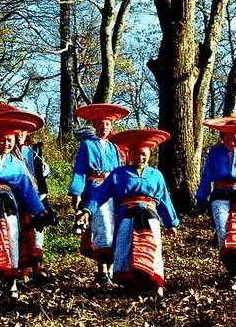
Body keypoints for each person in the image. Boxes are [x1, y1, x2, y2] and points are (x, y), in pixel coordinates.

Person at [75, 129, 179, 301]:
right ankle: (131, 286)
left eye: (144, 154)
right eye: (136, 154)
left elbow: (165, 199)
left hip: (150, 216)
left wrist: (171, 223)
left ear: (149, 155)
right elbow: (101, 193)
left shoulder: (156, 175)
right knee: (126, 248)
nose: (140, 157)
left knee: (153, 248)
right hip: (126, 216)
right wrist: (87, 210)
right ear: (129, 154)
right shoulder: (118, 174)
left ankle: (157, 288)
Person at [0, 114, 57, 307]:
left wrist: (40, 211)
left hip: (9, 204)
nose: (6, 143)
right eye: (2, 139)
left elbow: (27, 189)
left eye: (9, 140)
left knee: (12, 240)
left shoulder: (17, 165)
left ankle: (12, 285)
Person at [196, 116, 236, 289]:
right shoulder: (214, 153)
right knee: (224, 231)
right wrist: (202, 198)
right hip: (220, 195)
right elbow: (207, 176)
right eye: (228, 138)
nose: (232, 142)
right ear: (221, 137)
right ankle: (233, 274)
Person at [68, 103, 128, 285]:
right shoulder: (87, 145)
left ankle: (110, 269)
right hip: (95, 187)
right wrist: (76, 192)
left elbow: (118, 171)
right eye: (101, 125)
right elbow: (80, 169)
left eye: (108, 125)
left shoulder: (113, 147)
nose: (104, 129)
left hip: (113, 189)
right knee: (102, 227)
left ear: (111, 127)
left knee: (114, 225)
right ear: (95, 126)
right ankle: (102, 271)